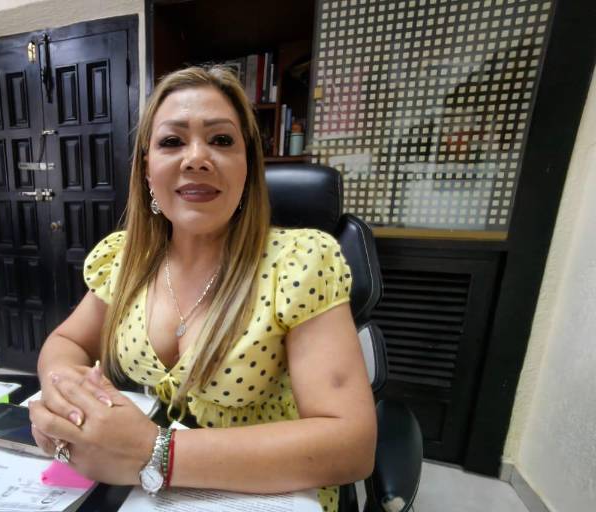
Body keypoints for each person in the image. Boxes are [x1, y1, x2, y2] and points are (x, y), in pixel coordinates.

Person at [28, 66, 376, 511]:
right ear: (147, 170)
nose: (196, 158)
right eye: (172, 141)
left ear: (248, 168)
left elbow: (351, 445)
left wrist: (154, 452)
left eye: (221, 140)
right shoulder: (126, 258)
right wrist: (64, 391)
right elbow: (67, 341)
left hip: (272, 493)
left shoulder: (300, 261)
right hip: (151, 489)